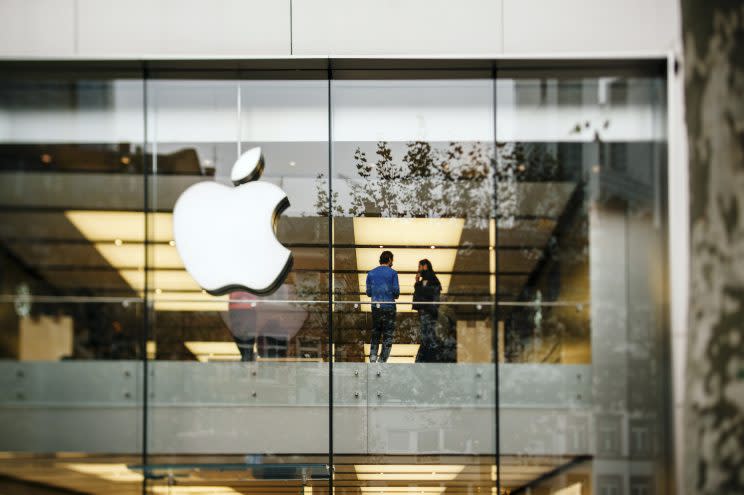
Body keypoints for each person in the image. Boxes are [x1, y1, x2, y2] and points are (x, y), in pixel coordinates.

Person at [366, 250, 399, 363]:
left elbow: (369, 292)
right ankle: (382, 362)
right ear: (389, 260)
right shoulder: (393, 273)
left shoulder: (371, 273)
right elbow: (396, 292)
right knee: (388, 335)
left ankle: (373, 358)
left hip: (376, 307)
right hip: (389, 307)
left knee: (376, 333)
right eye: (392, 260)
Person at [412, 259, 442, 363]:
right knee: (427, 336)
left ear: (424, 266)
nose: (418, 269)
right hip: (428, 312)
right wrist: (417, 283)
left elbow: (424, 295)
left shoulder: (430, 280)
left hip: (428, 312)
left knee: (428, 336)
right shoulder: (430, 280)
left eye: (419, 267)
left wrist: (418, 284)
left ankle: (424, 360)